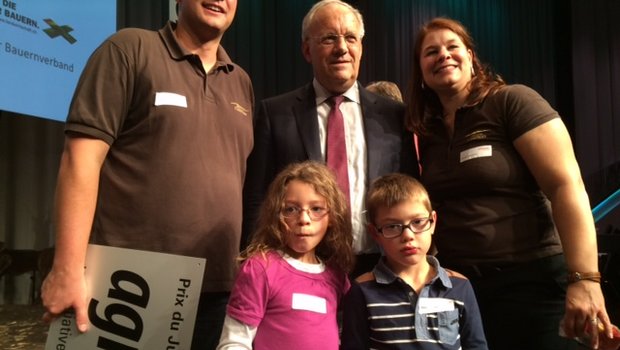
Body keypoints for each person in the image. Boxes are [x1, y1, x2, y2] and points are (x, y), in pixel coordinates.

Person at [40, 1, 253, 349]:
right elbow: (80, 161)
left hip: (216, 289)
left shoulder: (241, 82)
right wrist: (66, 268)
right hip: (127, 286)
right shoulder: (129, 49)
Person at [405, 16, 613, 350]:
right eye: (431, 52)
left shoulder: (511, 101)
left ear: (471, 57)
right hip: (466, 292)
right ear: (421, 72)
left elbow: (566, 186)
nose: (443, 55)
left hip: (535, 282)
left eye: (452, 46)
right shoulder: (427, 133)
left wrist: (585, 279)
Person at [242, 0, 418, 278]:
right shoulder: (275, 113)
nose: (342, 48)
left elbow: (410, 196)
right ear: (307, 50)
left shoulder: (395, 116)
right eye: (329, 38)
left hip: (381, 270)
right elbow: (257, 199)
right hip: (298, 269)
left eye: (350, 38)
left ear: (361, 48)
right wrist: (256, 264)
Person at [340, 173, 488, 349]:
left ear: (432, 222)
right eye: (392, 226)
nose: (408, 236)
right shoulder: (362, 290)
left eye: (418, 222)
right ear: (374, 233)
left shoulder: (459, 286)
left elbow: (476, 346)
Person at [217, 161, 354, 350]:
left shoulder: (337, 277)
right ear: (276, 214)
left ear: (332, 217)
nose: (304, 220)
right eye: (291, 209)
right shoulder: (261, 268)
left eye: (316, 209)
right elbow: (235, 341)